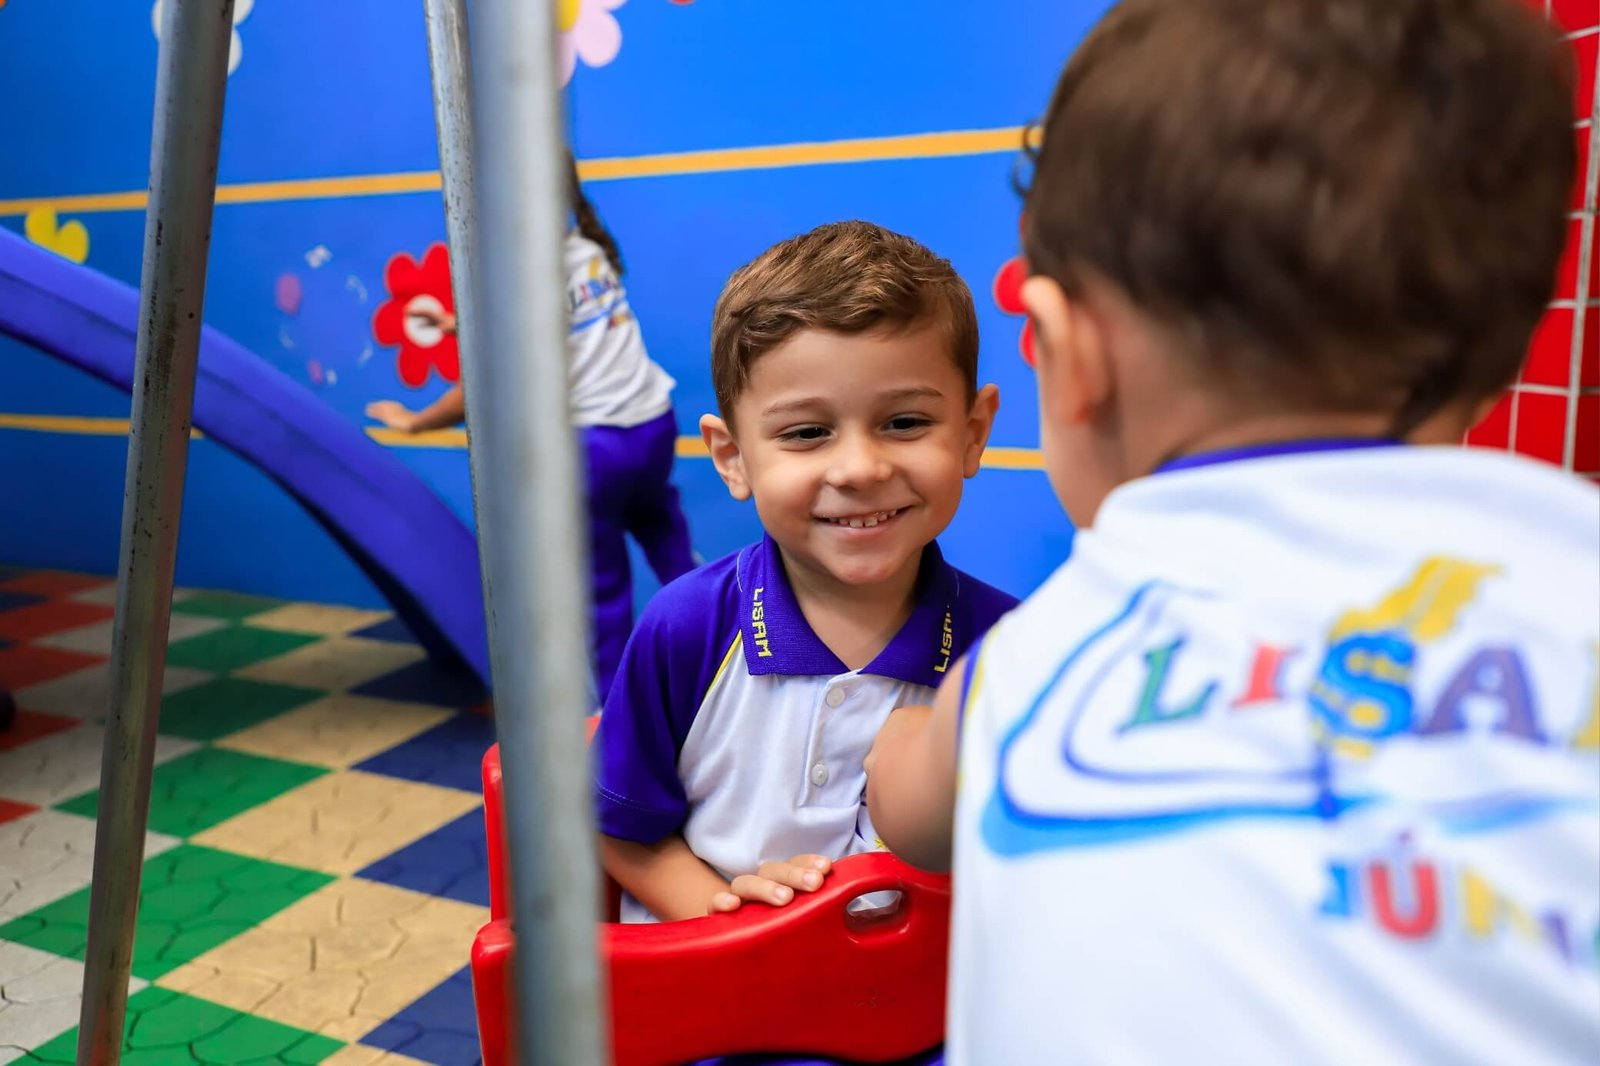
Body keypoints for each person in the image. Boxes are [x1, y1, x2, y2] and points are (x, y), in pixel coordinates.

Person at [864, 1, 1600, 1062]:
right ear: (1499, 361)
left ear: (1069, 352)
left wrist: (899, 736)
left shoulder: (1047, 649)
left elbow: (904, 804)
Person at [591, 220, 1018, 922]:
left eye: (905, 422)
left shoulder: (1011, 650)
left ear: (972, 433)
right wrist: (725, 915)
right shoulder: (684, 629)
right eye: (807, 433)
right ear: (733, 459)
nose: (860, 469)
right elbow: (620, 826)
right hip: (714, 984)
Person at [367, 155, 696, 699]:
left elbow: (483, 383)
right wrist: (461, 323)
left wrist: (416, 422)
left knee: (603, 590)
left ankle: (621, 709)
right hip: (654, 426)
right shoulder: (588, 250)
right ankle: (719, 649)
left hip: (597, 448)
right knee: (667, 540)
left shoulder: (521, 277)